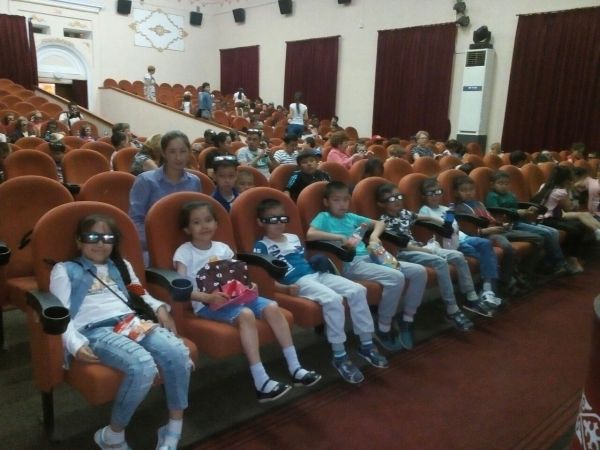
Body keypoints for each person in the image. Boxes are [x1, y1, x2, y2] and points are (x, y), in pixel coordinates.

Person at [50, 214, 191, 450]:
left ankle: (173, 429)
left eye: (107, 238)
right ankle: (113, 436)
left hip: (130, 322)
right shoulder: (65, 270)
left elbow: (139, 292)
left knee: (177, 352)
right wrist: (74, 344)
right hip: (95, 328)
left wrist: (160, 308)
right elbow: (62, 313)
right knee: (143, 366)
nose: (100, 243)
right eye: (92, 237)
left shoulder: (122, 266)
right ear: (78, 241)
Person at [174, 201, 320, 402]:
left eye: (208, 220)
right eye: (196, 222)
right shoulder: (184, 252)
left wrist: (249, 285)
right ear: (187, 229)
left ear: (216, 223)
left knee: (272, 307)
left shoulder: (223, 248)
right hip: (208, 304)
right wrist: (207, 297)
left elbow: (237, 276)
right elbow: (181, 287)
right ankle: (261, 381)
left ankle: (295, 368)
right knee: (246, 314)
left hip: (237, 297)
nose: (204, 226)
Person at [254, 198, 387, 383]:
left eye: (282, 218)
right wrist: (284, 288)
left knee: (357, 290)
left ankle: (366, 344)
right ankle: (339, 355)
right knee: (333, 299)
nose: (278, 223)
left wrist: (317, 264)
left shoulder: (293, 238)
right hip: (298, 281)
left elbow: (303, 261)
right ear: (261, 222)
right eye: (271, 220)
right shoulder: (261, 246)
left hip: (316, 274)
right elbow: (262, 278)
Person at [306, 181, 427, 351]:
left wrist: (374, 237)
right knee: (396, 278)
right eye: (336, 200)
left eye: (345, 200)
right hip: (352, 263)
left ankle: (407, 318)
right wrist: (339, 238)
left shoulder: (351, 217)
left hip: (373, 255)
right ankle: (383, 325)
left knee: (419, 271)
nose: (342, 204)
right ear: (326, 202)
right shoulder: (324, 217)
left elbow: (380, 223)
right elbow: (310, 234)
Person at [376, 182, 498, 318]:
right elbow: (399, 244)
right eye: (391, 199)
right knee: (440, 262)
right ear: (381, 204)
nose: (397, 201)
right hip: (405, 252)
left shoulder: (404, 213)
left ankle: (471, 295)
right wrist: (423, 250)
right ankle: (452, 307)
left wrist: (441, 222)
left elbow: (424, 217)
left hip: (420, 247)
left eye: (399, 197)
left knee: (458, 256)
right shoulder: (384, 220)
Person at [453, 175, 546, 294]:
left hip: (499, 229)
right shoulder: (460, 208)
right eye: (464, 190)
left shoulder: (479, 203)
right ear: (456, 193)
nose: (468, 193)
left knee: (539, 238)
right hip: (487, 234)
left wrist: (502, 224)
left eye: (471, 189)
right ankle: (506, 282)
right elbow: (467, 231)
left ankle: (524, 273)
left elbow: (490, 218)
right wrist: (489, 230)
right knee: (508, 248)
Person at [418, 178, 505, 300]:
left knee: (485, 244)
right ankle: (488, 289)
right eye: (430, 193)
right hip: (447, 243)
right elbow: (432, 226)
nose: (435, 196)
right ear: (423, 196)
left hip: (462, 237)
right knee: (482, 255)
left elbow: (455, 226)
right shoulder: (425, 210)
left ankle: (488, 288)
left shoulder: (445, 208)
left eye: (438, 192)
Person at [485, 170, 570, 275]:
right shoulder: (492, 196)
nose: (504, 186)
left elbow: (517, 207)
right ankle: (559, 263)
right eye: (500, 183)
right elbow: (498, 211)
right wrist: (518, 212)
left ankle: (549, 262)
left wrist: (528, 209)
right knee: (547, 234)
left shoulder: (510, 195)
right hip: (509, 225)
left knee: (554, 232)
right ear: (492, 184)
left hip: (520, 221)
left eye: (506, 183)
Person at [129, 130, 202, 251]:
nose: (178, 157)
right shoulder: (145, 180)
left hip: (188, 246)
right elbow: (136, 221)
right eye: (172, 152)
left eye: (183, 151)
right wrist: (159, 243)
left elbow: (198, 218)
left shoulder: (194, 182)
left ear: (189, 152)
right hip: (153, 245)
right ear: (163, 153)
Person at [532, 165, 599, 270]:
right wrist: (570, 191)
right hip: (549, 220)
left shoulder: (544, 185)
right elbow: (569, 208)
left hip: (539, 218)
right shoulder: (560, 192)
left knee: (578, 225)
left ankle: (573, 257)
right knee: (576, 229)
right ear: (566, 180)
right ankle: (571, 258)